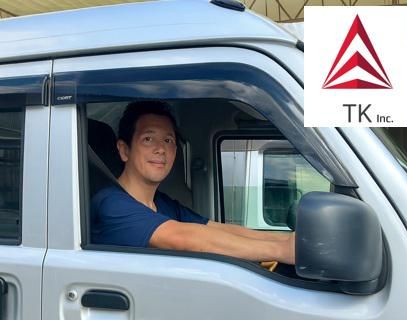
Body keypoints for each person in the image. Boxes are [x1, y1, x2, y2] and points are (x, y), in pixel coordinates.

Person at [91, 101, 295, 264]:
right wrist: (281, 251)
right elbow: (184, 238)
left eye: (168, 140)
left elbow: (214, 229)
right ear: (124, 150)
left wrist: (287, 240)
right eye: (148, 139)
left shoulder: (161, 203)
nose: (160, 149)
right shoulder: (110, 204)